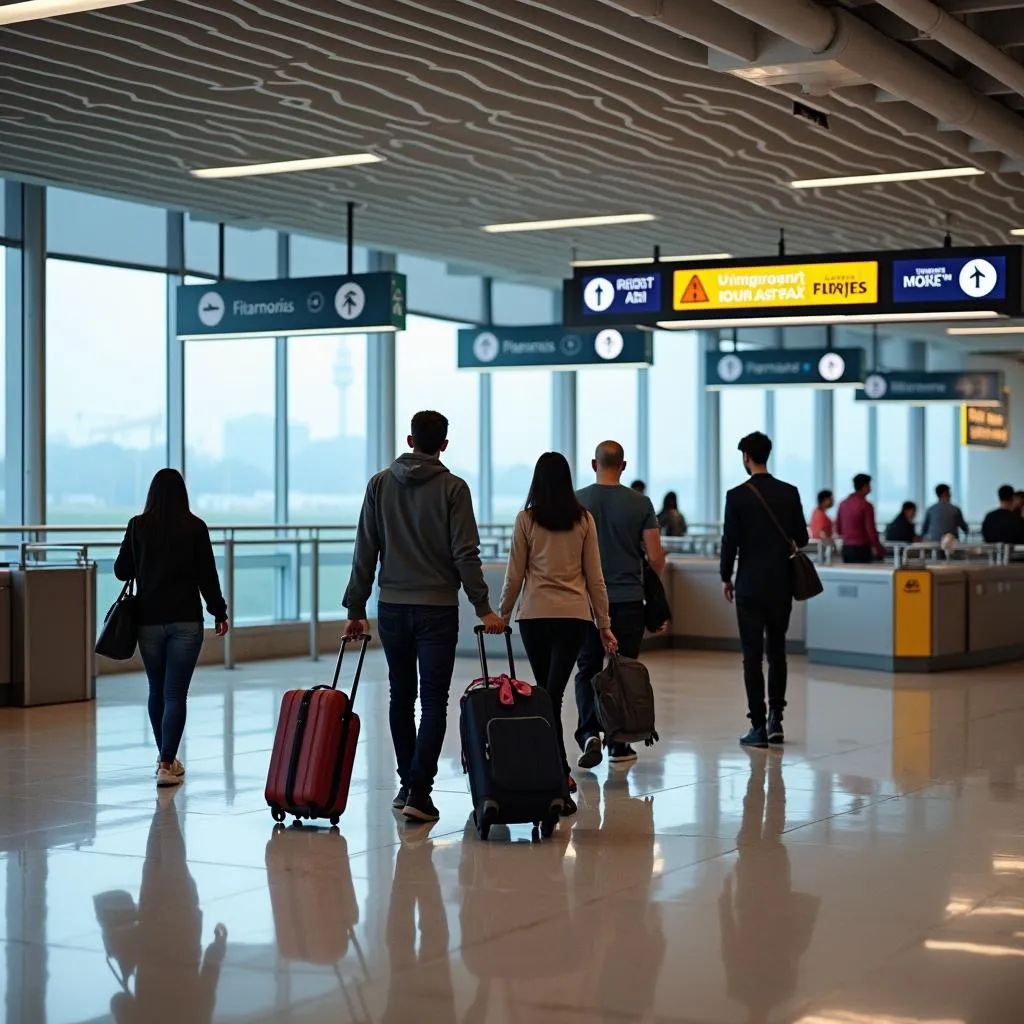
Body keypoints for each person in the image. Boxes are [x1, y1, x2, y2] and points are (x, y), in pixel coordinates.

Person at [342, 410, 504, 824]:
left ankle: (407, 784)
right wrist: (484, 606)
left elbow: (365, 549)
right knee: (433, 701)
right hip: (437, 610)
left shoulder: (379, 484)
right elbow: (465, 554)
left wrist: (357, 608)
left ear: (410, 439)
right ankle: (419, 790)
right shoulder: (454, 488)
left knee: (401, 695)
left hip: (392, 607)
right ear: (444, 445)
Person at [498, 452, 616, 816]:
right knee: (552, 692)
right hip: (573, 618)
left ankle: (557, 771)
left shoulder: (526, 520)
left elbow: (514, 574)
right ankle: (558, 773)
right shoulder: (583, 520)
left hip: (534, 616)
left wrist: (501, 614)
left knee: (547, 693)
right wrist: (604, 624)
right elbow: (594, 576)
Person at [114, 469, 229, 789]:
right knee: (176, 693)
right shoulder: (195, 527)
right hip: (186, 622)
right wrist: (219, 612)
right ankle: (167, 762)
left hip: (148, 621)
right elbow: (208, 574)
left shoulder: (138, 525)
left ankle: (164, 759)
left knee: (157, 689)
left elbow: (121, 570)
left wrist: (144, 557)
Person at [575, 441, 665, 769]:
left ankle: (589, 733)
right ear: (623, 465)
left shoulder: (577, 501)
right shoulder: (640, 503)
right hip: (628, 599)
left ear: (593, 463)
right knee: (623, 668)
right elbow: (655, 557)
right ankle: (619, 743)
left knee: (587, 667)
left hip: (584, 602)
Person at [720, 432, 807, 748]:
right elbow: (803, 537)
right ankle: (776, 721)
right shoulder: (789, 492)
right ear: (767, 455)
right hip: (780, 583)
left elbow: (730, 541)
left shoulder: (737, 496)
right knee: (778, 651)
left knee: (752, 656)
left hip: (749, 586)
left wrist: (725, 577)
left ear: (746, 457)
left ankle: (756, 726)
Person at [835, 473, 883, 564]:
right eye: (869, 485)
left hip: (846, 549)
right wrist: (879, 549)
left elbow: (839, 530)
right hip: (862, 550)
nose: (870, 488)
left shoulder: (843, 504)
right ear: (865, 486)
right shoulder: (866, 505)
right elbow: (871, 531)